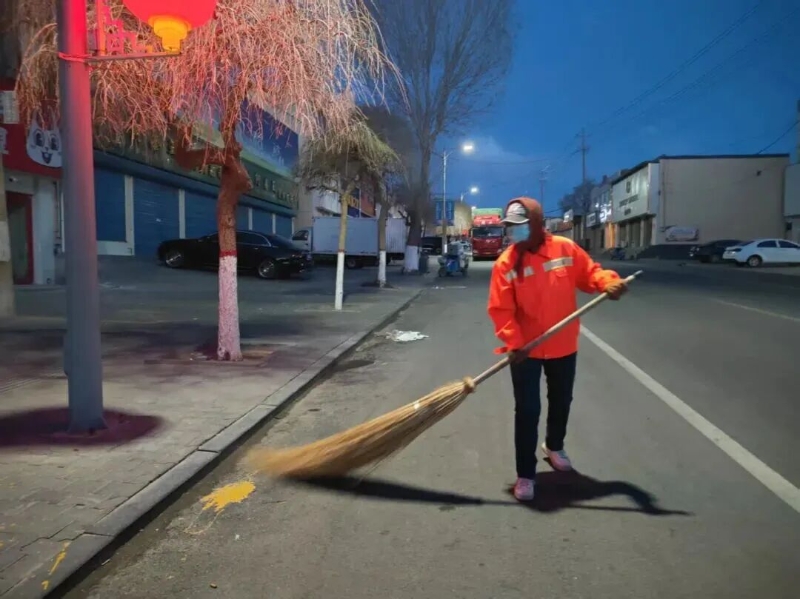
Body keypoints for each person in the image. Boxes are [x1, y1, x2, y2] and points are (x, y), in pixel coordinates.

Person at [487, 197, 627, 502]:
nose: (514, 232)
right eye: (511, 227)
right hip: (525, 350)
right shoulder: (506, 264)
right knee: (528, 411)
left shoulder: (564, 249)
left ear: (536, 224)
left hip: (563, 344)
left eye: (521, 226)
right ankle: (526, 474)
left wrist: (608, 283)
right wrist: (514, 342)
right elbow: (501, 310)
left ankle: (554, 446)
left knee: (561, 400)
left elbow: (590, 273)